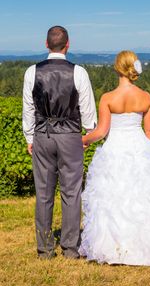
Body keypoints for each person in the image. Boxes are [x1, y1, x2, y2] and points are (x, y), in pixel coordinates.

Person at [79, 50, 150, 266]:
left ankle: (115, 245)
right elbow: (149, 132)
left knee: (114, 195)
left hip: (115, 148)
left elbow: (102, 131)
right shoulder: (146, 97)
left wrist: (83, 140)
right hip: (140, 147)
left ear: (117, 68)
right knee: (145, 197)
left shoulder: (108, 98)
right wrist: (146, 154)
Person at [22, 26, 97, 259]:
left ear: (46, 44)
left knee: (43, 193)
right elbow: (88, 112)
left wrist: (29, 137)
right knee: (71, 192)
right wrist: (87, 134)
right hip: (70, 136)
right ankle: (70, 248)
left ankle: (45, 249)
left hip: (43, 135)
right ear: (68, 44)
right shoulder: (80, 72)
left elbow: (28, 109)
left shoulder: (31, 72)